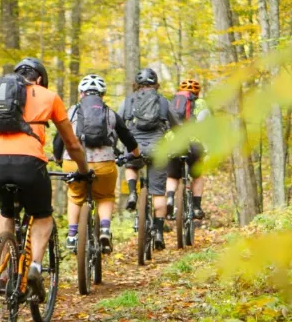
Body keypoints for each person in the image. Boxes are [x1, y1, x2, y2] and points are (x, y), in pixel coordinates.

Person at [0, 57, 89, 292]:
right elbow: (72, 143)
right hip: (29, 162)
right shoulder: (49, 96)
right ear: (39, 79)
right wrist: (83, 170)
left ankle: (3, 269)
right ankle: (35, 266)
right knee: (42, 215)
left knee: (6, 211)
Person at [53, 74, 140, 254]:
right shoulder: (110, 113)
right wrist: (136, 154)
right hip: (104, 164)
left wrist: (58, 158)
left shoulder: (71, 112)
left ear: (81, 94)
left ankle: (71, 235)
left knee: (75, 196)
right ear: (102, 94)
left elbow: (59, 138)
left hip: (74, 162)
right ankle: (105, 230)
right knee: (105, 196)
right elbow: (128, 138)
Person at [117, 67, 181, 250]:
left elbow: (118, 123)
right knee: (158, 193)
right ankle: (159, 232)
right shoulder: (162, 101)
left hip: (134, 146)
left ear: (136, 85)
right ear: (156, 84)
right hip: (157, 148)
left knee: (131, 165)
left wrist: (117, 147)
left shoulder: (128, 101)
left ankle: (131, 192)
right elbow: (176, 125)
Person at [165, 78, 211, 221]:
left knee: (172, 176)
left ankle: (170, 198)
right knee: (197, 175)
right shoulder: (202, 104)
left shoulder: (172, 103)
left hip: (174, 143)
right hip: (194, 144)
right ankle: (196, 207)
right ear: (197, 92)